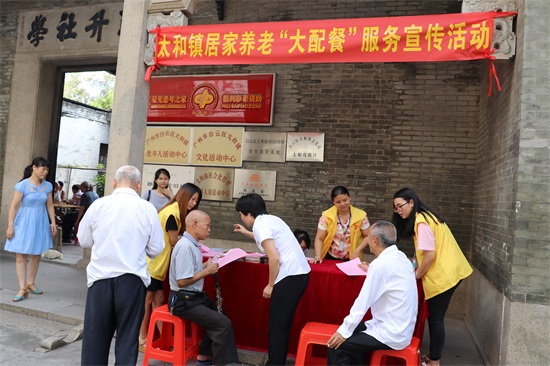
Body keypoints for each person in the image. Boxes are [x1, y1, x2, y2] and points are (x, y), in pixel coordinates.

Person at [77, 165, 164, 366]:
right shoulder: (147, 208)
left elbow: (84, 240)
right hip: (132, 282)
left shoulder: (99, 205)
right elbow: (156, 248)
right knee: (127, 340)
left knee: (94, 339)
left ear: (114, 183)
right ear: (138, 185)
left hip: (100, 280)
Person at [392, 188, 473, 366]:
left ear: (411, 203)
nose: (398, 210)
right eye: (395, 208)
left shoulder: (422, 224)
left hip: (444, 275)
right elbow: (423, 252)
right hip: (451, 271)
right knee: (435, 319)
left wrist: (416, 275)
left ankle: (434, 361)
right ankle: (433, 356)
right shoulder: (425, 218)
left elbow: (429, 255)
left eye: (400, 206)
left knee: (435, 320)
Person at [327, 220, 418, 365]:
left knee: (337, 345)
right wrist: (369, 269)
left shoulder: (380, 266)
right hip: (401, 328)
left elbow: (363, 302)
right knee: (351, 331)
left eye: (368, 237)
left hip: (390, 332)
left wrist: (343, 332)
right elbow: (389, 278)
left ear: (374, 241)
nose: (367, 241)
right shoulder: (401, 257)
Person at [234, 193, 310, 365]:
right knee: (282, 324)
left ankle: (275, 363)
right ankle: (276, 362)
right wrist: (246, 232)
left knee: (277, 326)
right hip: (300, 274)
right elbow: (270, 240)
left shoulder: (261, 226)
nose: (241, 217)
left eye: (241, 214)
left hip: (289, 277)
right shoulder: (272, 220)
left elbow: (274, 258)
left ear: (248, 213)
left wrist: (270, 285)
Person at [169, 210, 239, 365]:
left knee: (220, 314)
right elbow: (182, 281)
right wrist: (207, 271)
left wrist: (205, 265)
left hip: (193, 298)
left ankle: (205, 355)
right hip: (182, 301)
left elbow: (190, 270)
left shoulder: (193, 244)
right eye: (207, 225)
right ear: (195, 224)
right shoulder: (185, 247)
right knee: (222, 323)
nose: (209, 229)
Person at [138, 182, 202, 351]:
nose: (193, 203)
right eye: (192, 199)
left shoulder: (174, 211)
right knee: (148, 301)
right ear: (184, 196)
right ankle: (142, 338)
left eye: (196, 201)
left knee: (158, 300)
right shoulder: (172, 213)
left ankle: (165, 340)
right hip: (153, 264)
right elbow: (174, 240)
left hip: (157, 265)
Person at [4, 157, 57, 302]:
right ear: (34, 167)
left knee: (36, 253)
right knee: (21, 255)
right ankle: (22, 288)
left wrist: (53, 222)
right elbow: (14, 207)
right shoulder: (22, 185)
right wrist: (10, 225)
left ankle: (30, 283)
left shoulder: (48, 186)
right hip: (23, 221)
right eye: (43, 168)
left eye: (47, 169)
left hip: (40, 222)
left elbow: (50, 205)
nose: (45, 172)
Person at [312, 186, 370, 263]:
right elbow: (319, 238)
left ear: (349, 197)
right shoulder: (326, 216)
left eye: (345, 200)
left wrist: (358, 250)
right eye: (338, 202)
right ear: (333, 202)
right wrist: (318, 256)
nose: (342, 204)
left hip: (352, 257)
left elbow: (367, 236)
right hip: (330, 256)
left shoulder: (361, 216)